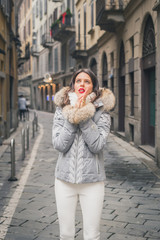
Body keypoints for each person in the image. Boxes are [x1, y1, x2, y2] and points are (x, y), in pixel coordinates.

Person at [52, 68, 115, 240]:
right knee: (66, 234)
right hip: (64, 180)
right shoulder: (61, 109)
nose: (82, 84)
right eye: (78, 80)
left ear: (93, 87)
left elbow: (97, 145)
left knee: (92, 235)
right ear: (73, 85)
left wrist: (85, 116)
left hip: (93, 182)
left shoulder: (102, 112)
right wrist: (73, 115)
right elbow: (59, 144)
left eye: (87, 81)